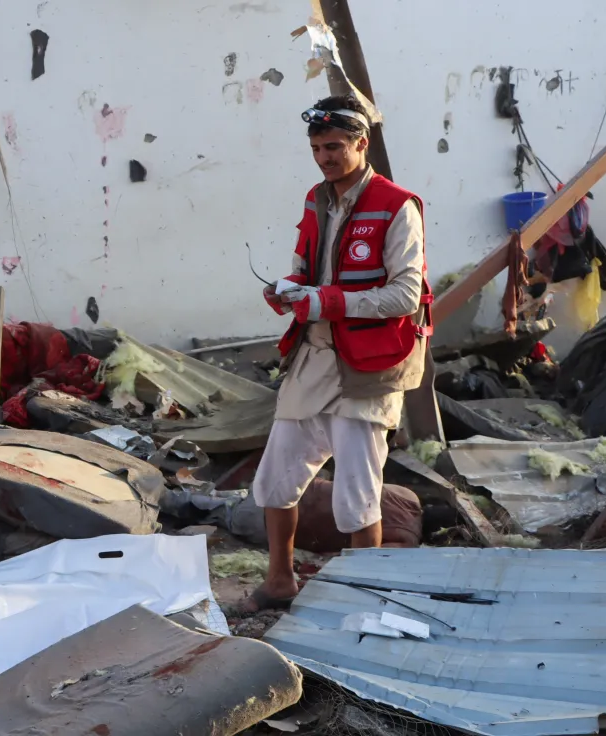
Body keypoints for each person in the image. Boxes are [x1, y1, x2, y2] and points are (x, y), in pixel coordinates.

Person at [242, 95, 432, 612]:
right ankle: (280, 581)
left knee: (357, 494)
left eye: (334, 147)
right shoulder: (316, 199)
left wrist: (325, 301)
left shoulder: (398, 206)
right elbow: (307, 269)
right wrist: (289, 291)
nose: (324, 158)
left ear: (361, 144)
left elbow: (406, 296)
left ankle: (361, 601)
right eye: (317, 149)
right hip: (314, 356)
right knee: (274, 481)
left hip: (368, 366)